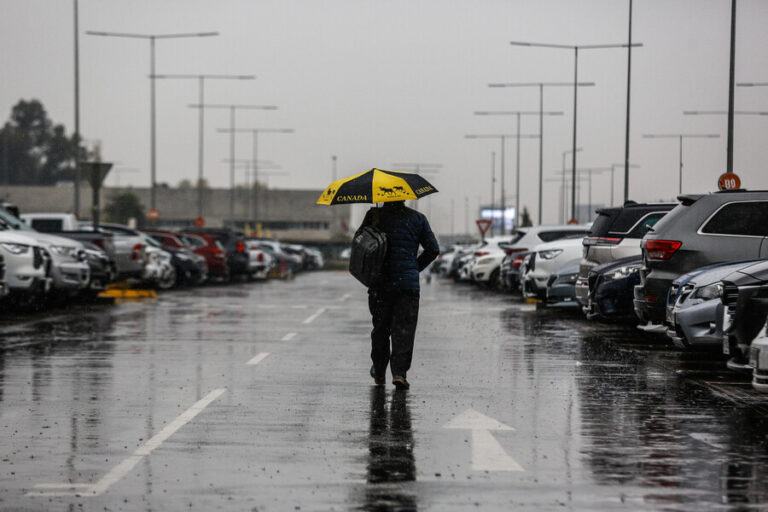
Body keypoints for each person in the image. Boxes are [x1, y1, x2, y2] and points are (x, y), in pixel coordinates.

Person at [355, 200, 439, 390]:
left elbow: (359, 241)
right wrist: (414, 267)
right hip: (407, 286)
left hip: (380, 284)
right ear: (404, 197)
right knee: (404, 330)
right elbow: (433, 249)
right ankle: (399, 373)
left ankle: (378, 370)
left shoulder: (374, 216)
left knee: (380, 329)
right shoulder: (418, 219)